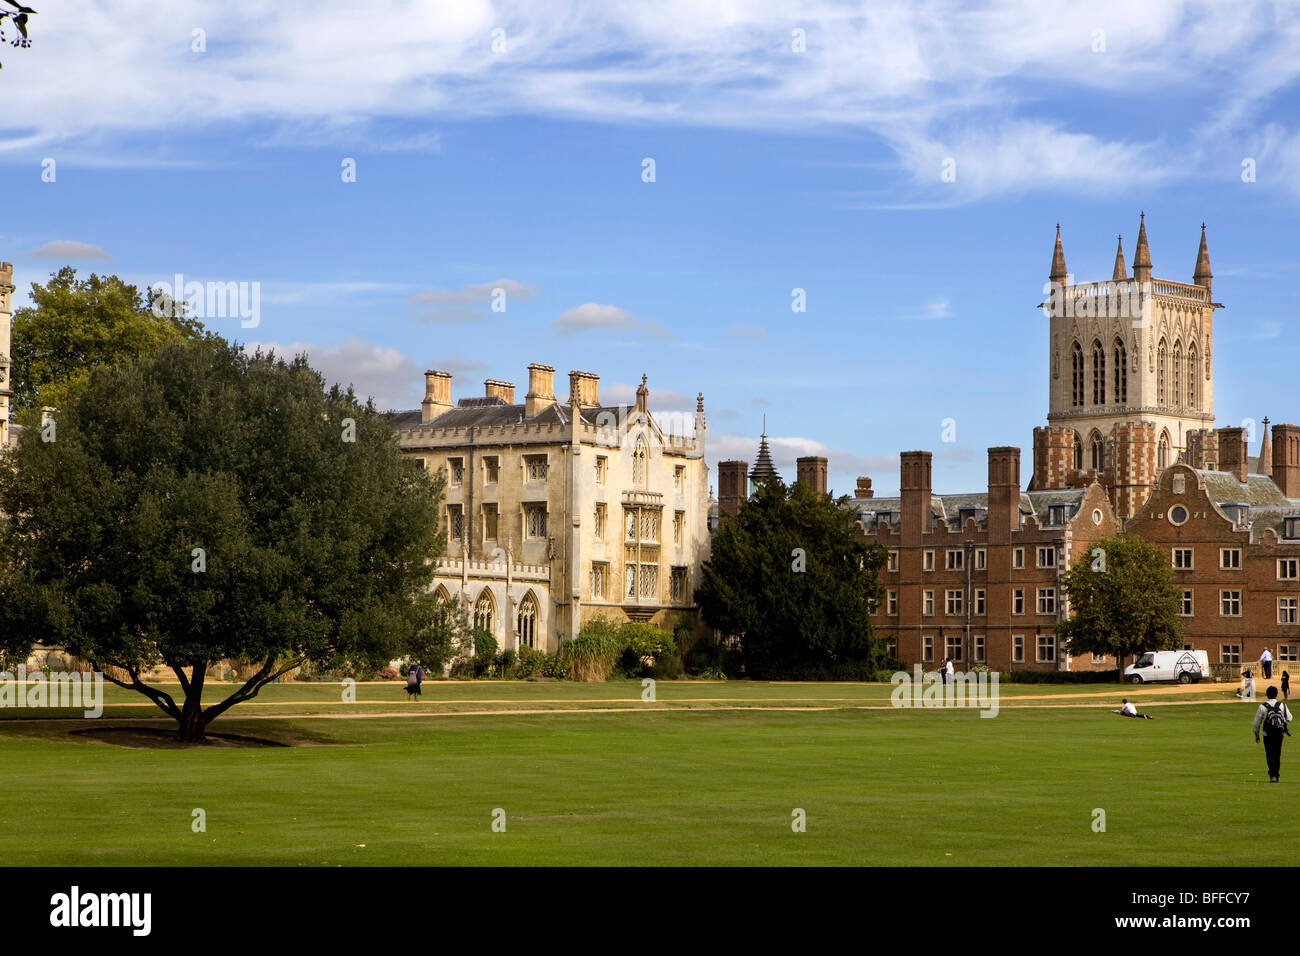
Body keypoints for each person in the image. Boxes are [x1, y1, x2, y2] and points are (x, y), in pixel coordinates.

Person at [1253, 685, 1293, 783]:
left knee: (1270, 754)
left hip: (1267, 734)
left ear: (1267, 695)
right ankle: (1276, 775)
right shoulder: (1282, 705)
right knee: (1277, 754)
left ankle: (1272, 775)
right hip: (1279, 733)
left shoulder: (1262, 706)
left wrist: (1257, 735)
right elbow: (1290, 718)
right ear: (1276, 695)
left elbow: (1256, 723)